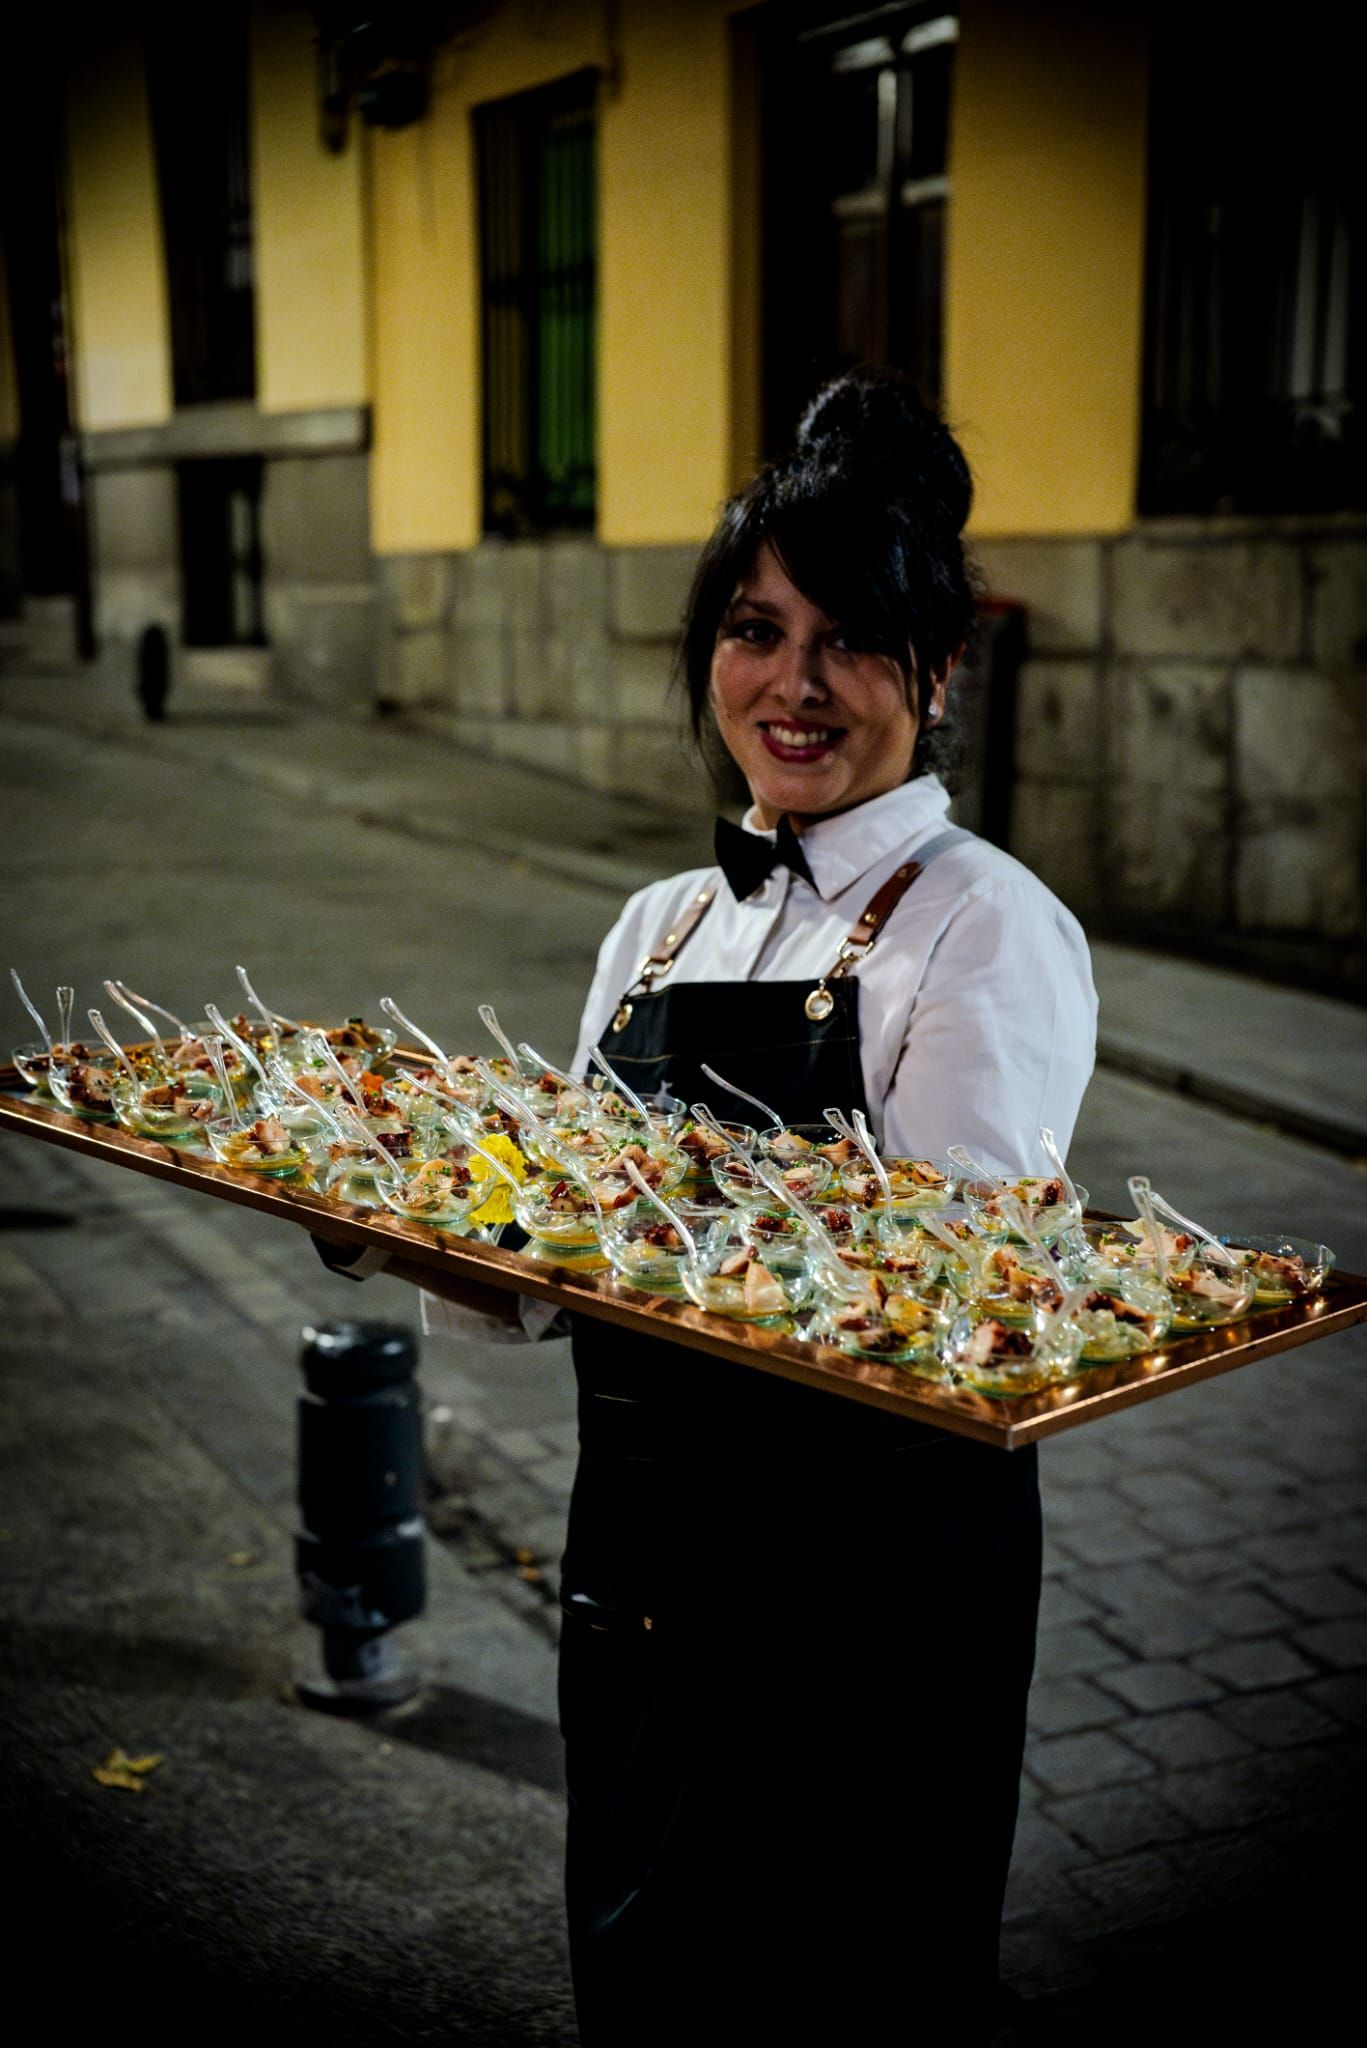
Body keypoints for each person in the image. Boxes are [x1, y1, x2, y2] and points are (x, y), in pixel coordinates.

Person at [370, 370, 1097, 2045]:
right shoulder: (655, 926)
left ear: (938, 670)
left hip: (871, 1594)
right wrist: (407, 1226)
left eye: (850, 639)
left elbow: (956, 1300)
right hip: (643, 1558)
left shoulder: (987, 928)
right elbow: (548, 1264)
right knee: (645, 1968)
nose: (795, 685)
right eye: (757, 630)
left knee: (842, 1997)